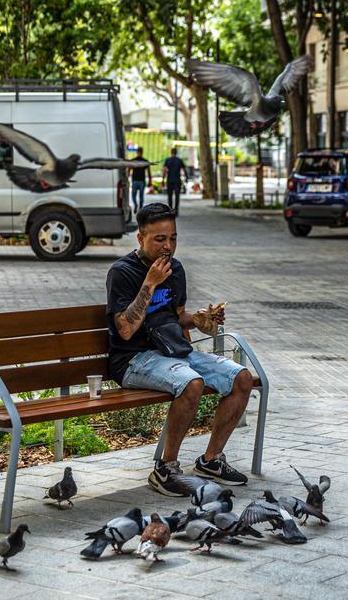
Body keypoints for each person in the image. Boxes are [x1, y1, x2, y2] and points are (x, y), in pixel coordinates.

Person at [106, 202, 253, 496]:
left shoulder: (176, 269)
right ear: (141, 238)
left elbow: (178, 314)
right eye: (160, 239)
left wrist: (200, 320)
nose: (168, 247)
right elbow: (125, 329)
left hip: (174, 352)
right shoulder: (122, 272)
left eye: (172, 238)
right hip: (134, 359)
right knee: (191, 383)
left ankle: (210, 461)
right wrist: (149, 283)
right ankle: (166, 468)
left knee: (242, 378)